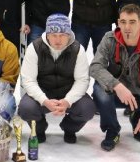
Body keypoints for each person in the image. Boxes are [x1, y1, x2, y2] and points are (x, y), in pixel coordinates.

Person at [90, 4, 140, 151]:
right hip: (118, 95)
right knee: (99, 91)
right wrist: (116, 85)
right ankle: (112, 130)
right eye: (123, 22)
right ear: (118, 22)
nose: (127, 27)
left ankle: (138, 118)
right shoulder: (109, 39)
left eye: (132, 22)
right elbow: (95, 67)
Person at [18, 13, 96, 144]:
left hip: (68, 91)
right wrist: (44, 101)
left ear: (69, 35)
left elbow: (82, 80)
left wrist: (67, 101)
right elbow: (28, 80)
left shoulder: (78, 49)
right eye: (54, 35)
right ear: (47, 34)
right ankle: (39, 129)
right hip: (43, 92)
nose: (58, 40)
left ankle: (69, 129)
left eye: (62, 35)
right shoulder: (35, 48)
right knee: (26, 108)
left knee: (87, 109)